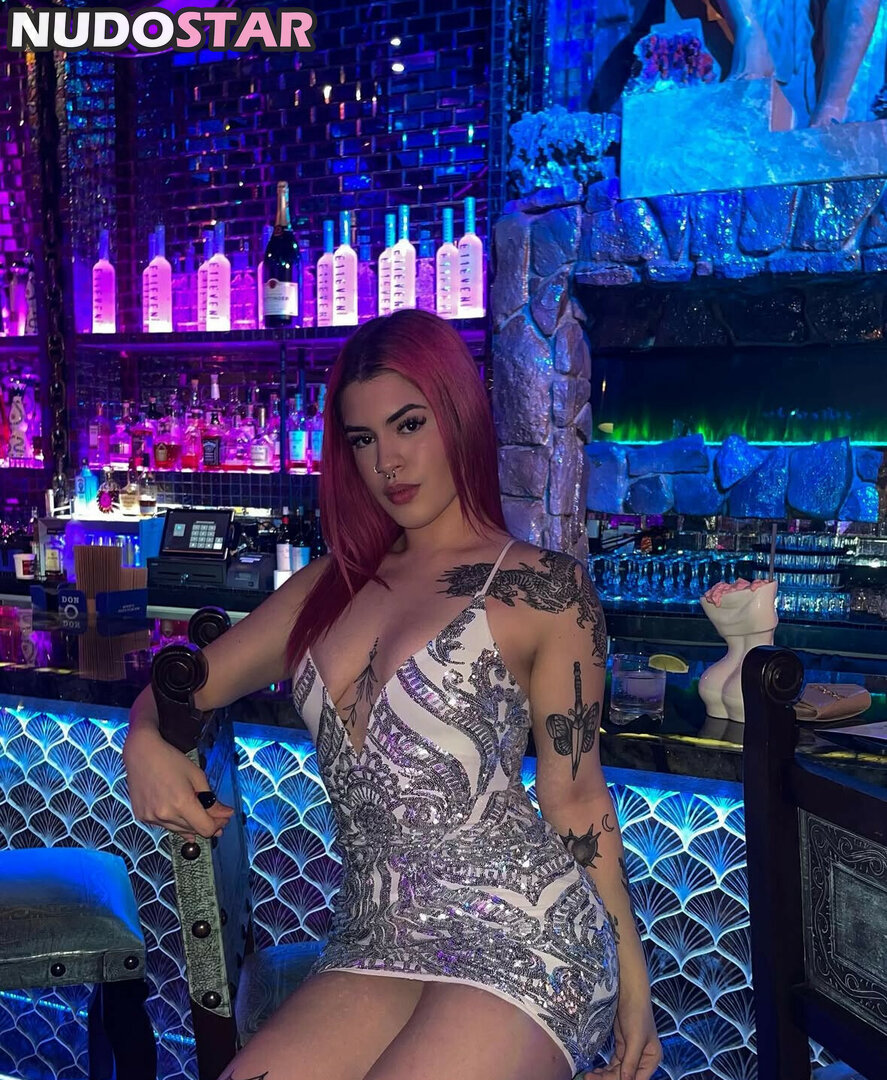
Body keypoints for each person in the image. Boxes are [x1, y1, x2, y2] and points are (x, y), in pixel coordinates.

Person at [123, 309, 661, 1080]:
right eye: (363, 439)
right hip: (375, 939)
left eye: (409, 424)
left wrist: (633, 986)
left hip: (526, 936)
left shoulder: (544, 588)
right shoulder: (326, 586)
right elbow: (183, 686)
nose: (388, 461)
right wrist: (142, 738)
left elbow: (575, 800)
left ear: (458, 416)